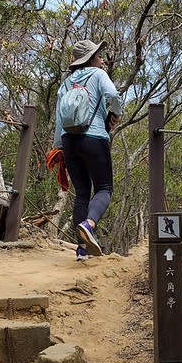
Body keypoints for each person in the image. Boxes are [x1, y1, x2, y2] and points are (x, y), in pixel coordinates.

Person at [53, 39, 122, 259]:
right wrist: (116, 113)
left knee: (82, 193)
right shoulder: (98, 75)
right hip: (94, 138)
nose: (102, 59)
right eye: (99, 56)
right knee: (104, 189)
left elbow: (58, 120)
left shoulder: (66, 84)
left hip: (69, 141)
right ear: (91, 59)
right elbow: (113, 95)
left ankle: (82, 250)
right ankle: (89, 225)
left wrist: (59, 148)